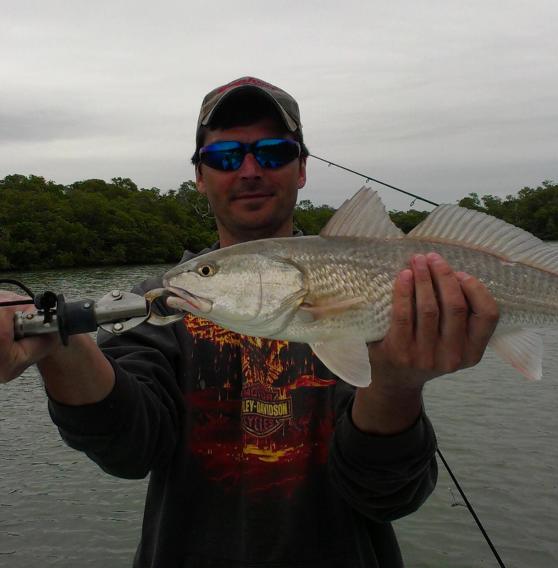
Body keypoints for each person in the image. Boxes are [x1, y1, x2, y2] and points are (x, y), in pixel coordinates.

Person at [0, 76, 500, 567]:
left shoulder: (362, 296)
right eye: (223, 157)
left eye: (274, 152)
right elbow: (129, 450)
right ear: (199, 176)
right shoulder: (162, 303)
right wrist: (54, 336)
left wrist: (394, 385)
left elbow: (387, 496)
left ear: (302, 168)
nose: (249, 170)